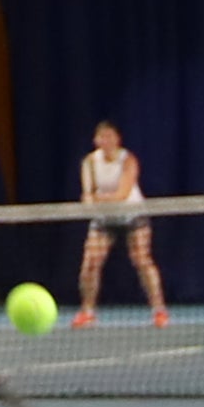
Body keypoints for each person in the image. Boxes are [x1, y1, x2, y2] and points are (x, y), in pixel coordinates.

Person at [71, 119, 166, 328]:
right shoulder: (89, 162)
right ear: (96, 140)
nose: (106, 141)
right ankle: (87, 311)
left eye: (110, 136)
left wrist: (98, 198)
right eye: (101, 137)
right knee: (91, 262)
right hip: (104, 219)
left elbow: (122, 194)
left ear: (117, 139)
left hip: (132, 214)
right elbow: (87, 196)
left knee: (141, 259)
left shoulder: (128, 160)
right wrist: (93, 200)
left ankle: (159, 310)